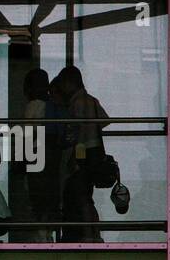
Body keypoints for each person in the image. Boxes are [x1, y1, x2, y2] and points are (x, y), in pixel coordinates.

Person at [58, 65, 107, 242]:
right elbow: (103, 121)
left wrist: (74, 158)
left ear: (70, 82)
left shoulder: (78, 102)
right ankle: (94, 233)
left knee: (80, 195)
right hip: (95, 150)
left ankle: (87, 235)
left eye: (63, 83)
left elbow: (79, 132)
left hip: (83, 152)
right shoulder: (91, 100)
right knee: (87, 195)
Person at [19, 68, 57, 242]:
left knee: (36, 197)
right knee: (48, 197)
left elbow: (27, 134)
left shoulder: (33, 105)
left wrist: (20, 159)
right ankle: (48, 234)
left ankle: (41, 237)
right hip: (50, 155)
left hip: (35, 153)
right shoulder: (53, 104)